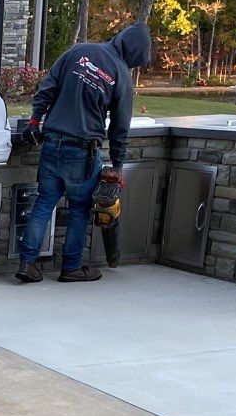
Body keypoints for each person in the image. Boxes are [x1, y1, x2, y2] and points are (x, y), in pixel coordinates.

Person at [15, 22, 152, 283]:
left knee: (44, 203)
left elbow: (48, 85)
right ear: (134, 53)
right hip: (82, 151)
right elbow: (120, 127)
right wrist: (118, 165)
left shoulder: (79, 51)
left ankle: (27, 263)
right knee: (80, 208)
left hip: (52, 141)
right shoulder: (121, 75)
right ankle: (72, 267)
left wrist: (35, 120)